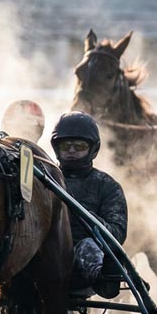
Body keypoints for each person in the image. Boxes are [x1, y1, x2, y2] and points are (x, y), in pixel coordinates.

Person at [50, 112, 127, 298]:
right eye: (65, 145)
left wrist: (85, 219)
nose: (72, 150)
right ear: (56, 147)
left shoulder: (107, 185)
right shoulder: (45, 178)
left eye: (80, 146)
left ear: (93, 149)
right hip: (49, 255)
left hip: (83, 265)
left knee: (88, 246)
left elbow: (116, 233)